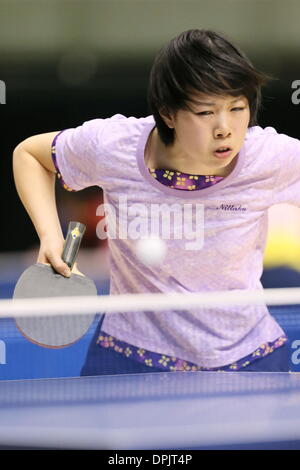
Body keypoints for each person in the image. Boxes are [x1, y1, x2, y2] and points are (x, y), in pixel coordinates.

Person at [13, 29, 295, 374]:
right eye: (206, 113)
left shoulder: (270, 158)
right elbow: (29, 155)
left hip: (248, 357)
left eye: (237, 108)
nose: (225, 128)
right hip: (132, 355)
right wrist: (50, 235)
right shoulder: (113, 147)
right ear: (168, 113)